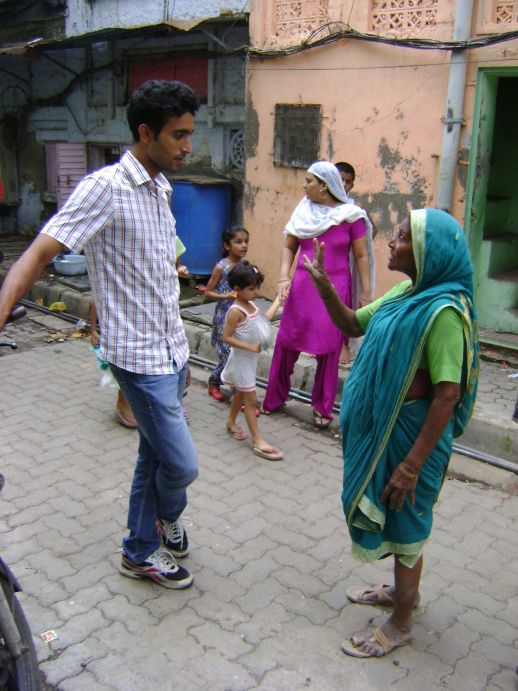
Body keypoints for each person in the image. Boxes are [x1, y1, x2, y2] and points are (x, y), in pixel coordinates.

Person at [0, 79, 201, 589]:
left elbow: (149, 270)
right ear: (146, 133)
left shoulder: (161, 187)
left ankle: (140, 549)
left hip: (171, 350)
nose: (187, 146)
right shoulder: (104, 188)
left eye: (189, 134)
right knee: (181, 465)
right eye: (178, 135)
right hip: (138, 359)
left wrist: (182, 350)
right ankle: (164, 519)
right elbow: (38, 253)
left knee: (153, 456)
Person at [303, 208, 479, 658]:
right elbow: (352, 324)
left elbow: (448, 395)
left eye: (401, 238)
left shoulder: (442, 314)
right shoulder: (406, 293)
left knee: (406, 521)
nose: (391, 242)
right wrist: (325, 287)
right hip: (388, 431)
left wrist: (411, 466)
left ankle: (401, 623)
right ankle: (404, 594)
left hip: (411, 439)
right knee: (396, 518)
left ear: (426, 254)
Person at [261, 160, 371, 429]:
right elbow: (289, 247)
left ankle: (322, 406)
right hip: (302, 286)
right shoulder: (303, 212)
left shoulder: (352, 216)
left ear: (324, 186)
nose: (304, 185)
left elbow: (361, 256)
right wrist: (283, 276)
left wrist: (366, 293)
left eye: (309, 181)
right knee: (287, 341)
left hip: (334, 290)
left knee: (330, 348)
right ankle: (274, 396)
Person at [89, 234, 190, 428]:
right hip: (132, 324)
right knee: (128, 369)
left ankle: (164, 411)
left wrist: (178, 271)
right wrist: (93, 329)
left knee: (168, 369)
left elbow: (174, 267)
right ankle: (126, 405)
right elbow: (99, 298)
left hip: (163, 322)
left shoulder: (170, 238)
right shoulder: (126, 254)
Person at [221, 261, 283, 461]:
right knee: (251, 400)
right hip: (242, 362)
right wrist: (249, 347)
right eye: (252, 289)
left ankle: (231, 421)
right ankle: (257, 440)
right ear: (237, 289)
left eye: (257, 287)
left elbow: (263, 321)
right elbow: (226, 337)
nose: (256, 292)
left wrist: (278, 301)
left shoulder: (250, 304)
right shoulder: (235, 312)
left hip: (250, 360)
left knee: (241, 392)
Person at [335, 161, 377, 365]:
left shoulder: (355, 208)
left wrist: (355, 246)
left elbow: (371, 231)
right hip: (325, 263)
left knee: (344, 302)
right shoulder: (318, 205)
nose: (344, 185)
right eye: (340, 179)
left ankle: (343, 345)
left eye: (348, 181)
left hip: (346, 264)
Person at [204, 225, 249, 401]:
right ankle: (229, 390)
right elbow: (208, 293)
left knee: (235, 355)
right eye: (238, 242)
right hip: (224, 319)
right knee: (228, 356)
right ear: (227, 245)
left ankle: (220, 383)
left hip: (241, 319)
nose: (244, 245)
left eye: (246, 242)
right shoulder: (221, 267)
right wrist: (225, 296)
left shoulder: (245, 267)